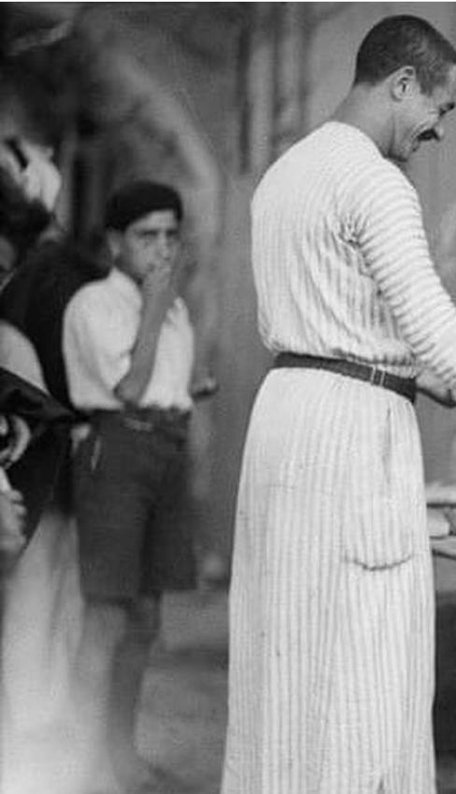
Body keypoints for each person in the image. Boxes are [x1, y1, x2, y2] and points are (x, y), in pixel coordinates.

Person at [222, 15, 456, 794]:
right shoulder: (375, 181)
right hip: (348, 438)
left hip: (288, 417)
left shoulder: (285, 173)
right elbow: (433, 325)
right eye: (440, 107)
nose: (438, 130)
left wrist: (413, 373)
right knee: (365, 664)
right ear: (401, 85)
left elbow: (336, 322)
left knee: (286, 653)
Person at [61, 180, 201, 793]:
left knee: (145, 618)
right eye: (147, 236)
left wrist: (187, 394)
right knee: (107, 617)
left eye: (172, 235)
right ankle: (84, 767)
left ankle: (121, 754)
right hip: (115, 453)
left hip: (164, 452)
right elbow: (126, 389)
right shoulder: (95, 303)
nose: (162, 250)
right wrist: (152, 307)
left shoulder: (170, 306)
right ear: (115, 242)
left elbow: (161, 384)